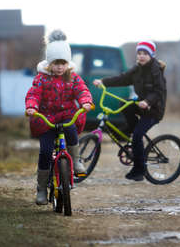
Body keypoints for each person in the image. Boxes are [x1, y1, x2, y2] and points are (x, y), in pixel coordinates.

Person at [25, 30, 93, 205]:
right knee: (46, 152)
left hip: (66, 116)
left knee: (71, 132)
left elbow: (82, 90)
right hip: (46, 119)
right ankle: (41, 188)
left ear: (68, 64)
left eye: (63, 63)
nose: (60, 67)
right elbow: (33, 94)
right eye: (56, 63)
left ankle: (76, 161)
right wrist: (32, 107)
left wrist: (85, 102)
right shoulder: (41, 79)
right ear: (49, 63)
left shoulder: (73, 78)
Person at [93, 40, 166, 181]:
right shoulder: (137, 69)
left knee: (138, 135)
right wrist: (103, 82)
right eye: (139, 53)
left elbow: (158, 92)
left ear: (151, 55)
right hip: (141, 105)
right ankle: (132, 132)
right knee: (124, 104)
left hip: (154, 110)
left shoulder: (155, 70)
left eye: (145, 53)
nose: (142, 56)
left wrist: (147, 101)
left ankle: (139, 170)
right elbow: (122, 78)